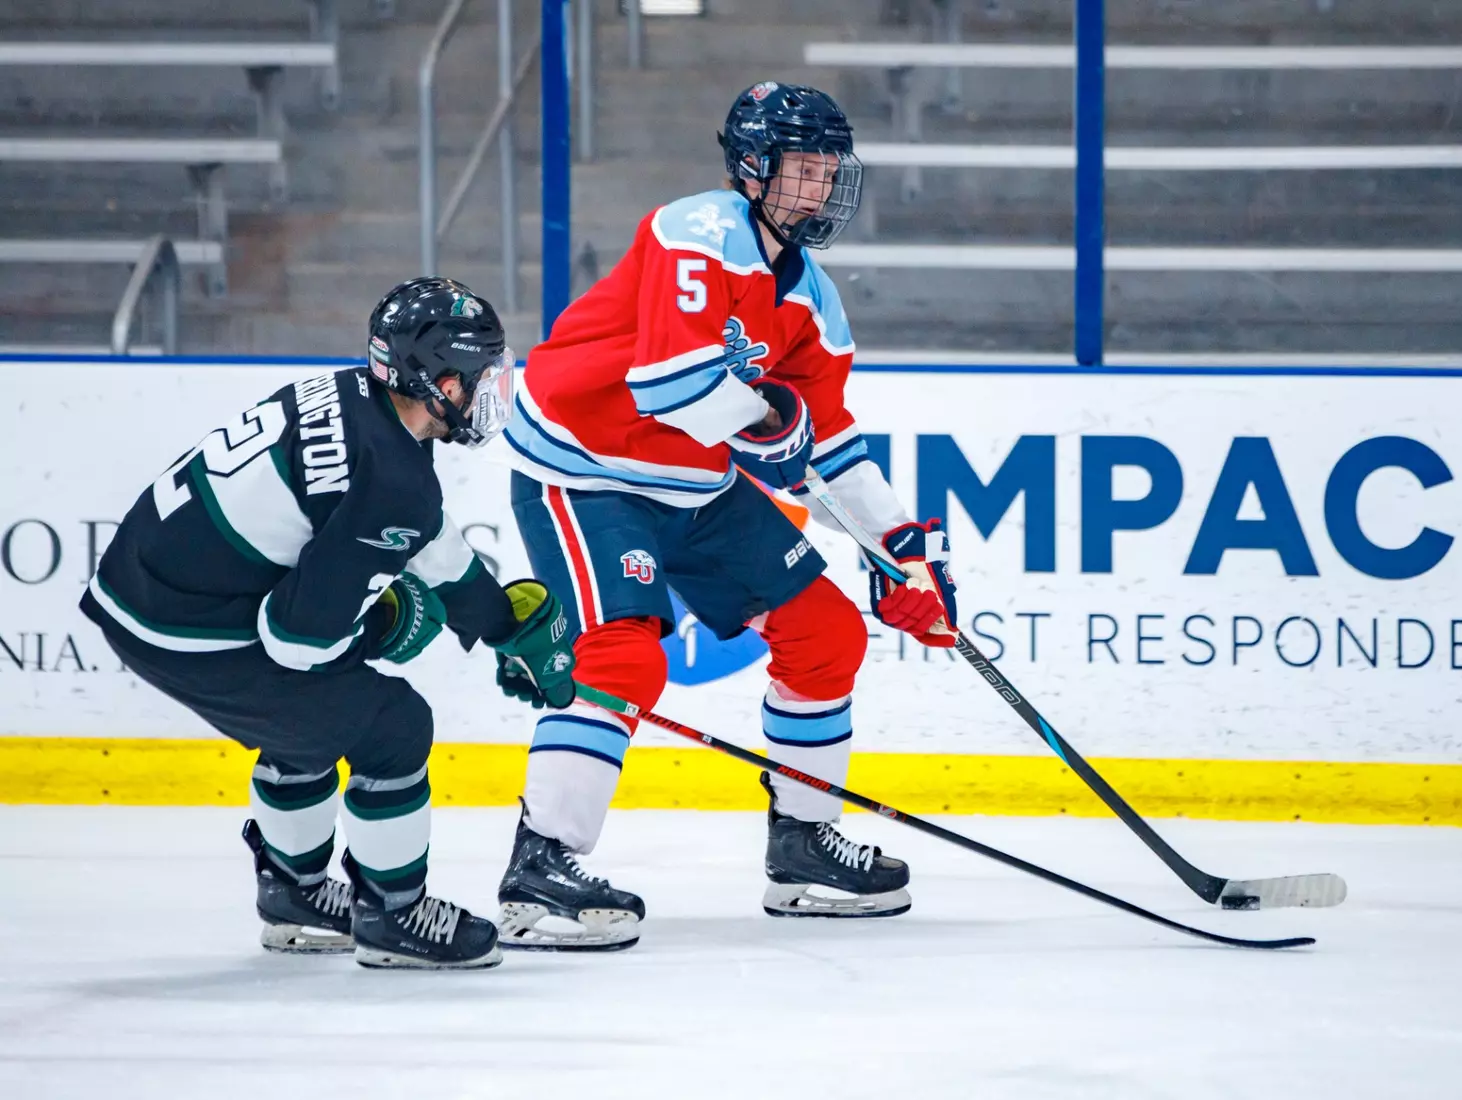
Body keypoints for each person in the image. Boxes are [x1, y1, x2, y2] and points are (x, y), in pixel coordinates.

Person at [493, 82, 960, 951]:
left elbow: (829, 441)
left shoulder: (814, 301)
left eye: (828, 172)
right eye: (802, 170)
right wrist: (768, 428)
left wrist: (900, 549)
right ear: (752, 167)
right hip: (584, 467)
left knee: (827, 631)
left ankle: (802, 848)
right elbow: (668, 386)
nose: (818, 190)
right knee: (625, 654)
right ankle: (539, 868)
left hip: (691, 485)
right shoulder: (696, 230)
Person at [80, 278, 579, 970]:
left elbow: (419, 532)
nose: (487, 389)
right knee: (393, 726)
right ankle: (395, 914)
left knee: (316, 716)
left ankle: (295, 895)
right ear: (428, 377)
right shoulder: (390, 476)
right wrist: (385, 625)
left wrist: (495, 619)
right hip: (186, 625)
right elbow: (298, 641)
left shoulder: (362, 401)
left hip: (150, 587)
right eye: (473, 374)